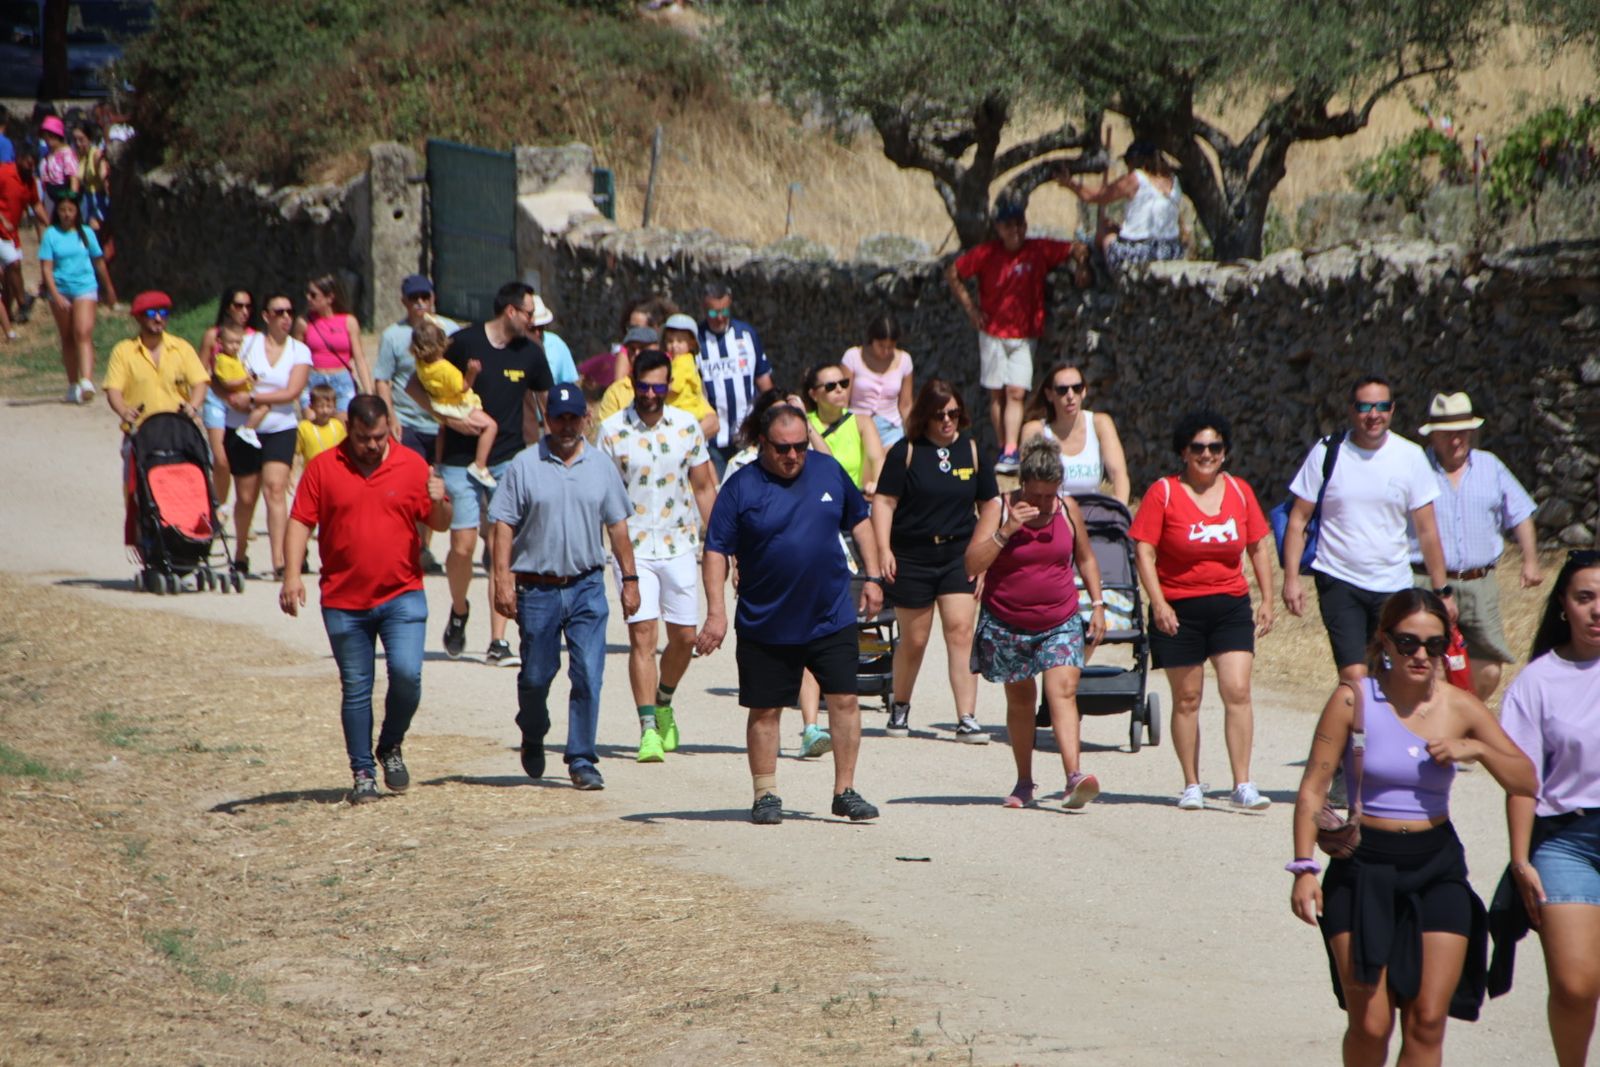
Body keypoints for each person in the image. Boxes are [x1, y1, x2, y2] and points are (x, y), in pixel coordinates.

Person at [1289, 589, 1535, 1065]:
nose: (1421, 655)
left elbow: (1525, 780)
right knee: (1371, 1024)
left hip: (1436, 866)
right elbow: (1312, 789)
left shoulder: (1460, 706)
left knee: (1426, 1022)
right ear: (1384, 640)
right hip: (1363, 868)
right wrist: (1303, 867)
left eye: (1435, 645)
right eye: (1407, 643)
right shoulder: (1352, 699)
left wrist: (1478, 751)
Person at [697, 403, 884, 825]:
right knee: (765, 709)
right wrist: (716, 613)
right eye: (783, 448)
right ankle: (766, 794)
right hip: (767, 621)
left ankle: (845, 791)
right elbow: (715, 551)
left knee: (846, 699)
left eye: (800, 446)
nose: (793, 456)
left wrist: (873, 577)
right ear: (763, 444)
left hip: (829, 614)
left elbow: (860, 521)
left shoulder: (827, 471)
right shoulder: (741, 486)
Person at [278, 395, 453, 804]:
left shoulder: (411, 465)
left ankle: (390, 745)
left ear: (389, 427)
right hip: (343, 599)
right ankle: (362, 773)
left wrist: (442, 498)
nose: (372, 445)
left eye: (378, 436)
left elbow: (440, 523)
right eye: (362, 438)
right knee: (357, 686)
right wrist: (291, 575)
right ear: (347, 429)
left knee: (408, 676)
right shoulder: (323, 468)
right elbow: (301, 520)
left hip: (402, 593)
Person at [489, 382, 639, 792]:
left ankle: (581, 758)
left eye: (575, 417)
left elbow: (618, 526)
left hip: (587, 585)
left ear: (587, 420)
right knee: (537, 676)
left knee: (589, 673)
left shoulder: (602, 466)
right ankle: (533, 731)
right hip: (537, 589)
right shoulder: (523, 465)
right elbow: (503, 524)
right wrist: (502, 580)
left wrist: (630, 580)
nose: (568, 425)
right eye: (560, 417)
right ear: (548, 419)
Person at [1129, 410, 1276, 811]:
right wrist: (1157, 602)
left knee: (1238, 691)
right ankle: (1192, 784)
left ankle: (1242, 783)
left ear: (1225, 453)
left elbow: (1258, 544)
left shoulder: (1241, 491)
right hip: (1178, 609)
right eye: (1199, 447)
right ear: (1184, 452)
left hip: (1230, 606)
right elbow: (1144, 548)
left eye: (1215, 447)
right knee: (1188, 698)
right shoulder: (1164, 492)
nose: (1207, 454)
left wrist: (1267, 598)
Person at [407, 281, 553, 666]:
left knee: (501, 549)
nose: (532, 319)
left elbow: (546, 405)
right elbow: (414, 386)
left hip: (507, 459)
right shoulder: (463, 342)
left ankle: (498, 640)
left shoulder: (532, 354)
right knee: (462, 548)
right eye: (527, 312)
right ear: (509, 311)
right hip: (458, 459)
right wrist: (447, 420)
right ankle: (458, 609)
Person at [1282, 376, 1459, 686]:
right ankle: (1358, 734)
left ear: (1392, 410)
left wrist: (1441, 592)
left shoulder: (1410, 456)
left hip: (1393, 584)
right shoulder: (1328, 452)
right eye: (1365, 406)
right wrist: (1291, 579)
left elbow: (1427, 530)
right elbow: (1298, 519)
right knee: (1354, 674)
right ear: (1352, 410)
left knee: (1391, 675)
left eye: (1382, 406)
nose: (1373, 414)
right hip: (1339, 579)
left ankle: (1383, 733)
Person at [1496, 551, 1600, 1066]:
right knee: (1576, 984)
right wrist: (1521, 861)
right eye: (1585, 598)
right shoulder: (1537, 681)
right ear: (1564, 605)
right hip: (1567, 842)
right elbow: (1521, 782)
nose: (1597, 610)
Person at [966, 436, 1108, 809]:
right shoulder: (999, 508)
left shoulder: (1067, 508)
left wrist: (1097, 604)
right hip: (1008, 623)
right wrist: (1006, 530)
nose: (1045, 504)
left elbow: (1086, 558)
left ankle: (1073, 776)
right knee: (1022, 700)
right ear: (1023, 484)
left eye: (1051, 495)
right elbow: (971, 565)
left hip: (1060, 618)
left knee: (1062, 690)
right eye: (1038, 495)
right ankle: (1025, 782)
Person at [598, 351, 718, 763]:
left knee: (684, 638)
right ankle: (648, 727)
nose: (651, 394)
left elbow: (703, 487)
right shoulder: (612, 430)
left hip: (680, 544)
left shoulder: (686, 426)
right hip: (631, 549)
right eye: (644, 386)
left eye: (659, 387)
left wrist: (721, 542)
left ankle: (664, 701)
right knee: (643, 635)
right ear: (632, 382)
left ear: (669, 385)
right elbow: (604, 493)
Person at [873, 379, 999, 742]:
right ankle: (900, 706)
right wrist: (884, 549)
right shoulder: (906, 451)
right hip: (912, 555)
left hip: (958, 555)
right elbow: (884, 502)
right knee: (914, 639)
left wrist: (982, 552)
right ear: (925, 416)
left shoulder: (972, 451)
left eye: (954, 414)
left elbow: (990, 504)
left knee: (961, 631)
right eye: (940, 414)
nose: (948, 421)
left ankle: (967, 717)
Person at [1410, 391, 1542, 700]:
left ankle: (1466, 714)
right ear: (1434, 437)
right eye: (1448, 435)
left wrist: (1531, 560)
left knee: (1488, 663)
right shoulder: (1416, 467)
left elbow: (1520, 512)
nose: (1457, 440)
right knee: (1426, 657)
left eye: (1463, 433)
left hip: (1478, 581)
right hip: (1425, 581)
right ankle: (1432, 718)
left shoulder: (1490, 466)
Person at [944, 201, 1090, 474]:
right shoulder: (987, 253)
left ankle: (1010, 449)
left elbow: (1077, 248)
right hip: (992, 333)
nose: (1016, 231)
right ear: (999, 228)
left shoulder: (1037, 249)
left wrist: (1082, 267)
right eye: (1009, 226)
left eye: (1020, 224)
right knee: (997, 393)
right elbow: (954, 273)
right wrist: (971, 310)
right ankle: (1005, 447)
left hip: (1024, 334)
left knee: (1016, 391)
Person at [373, 273, 458, 574]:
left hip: (444, 423)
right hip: (407, 422)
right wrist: (390, 417)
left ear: (433, 298)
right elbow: (382, 379)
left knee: (435, 485)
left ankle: (424, 546)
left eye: (425, 297)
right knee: (411, 484)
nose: (420, 304)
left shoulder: (450, 329)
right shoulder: (393, 336)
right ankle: (415, 548)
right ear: (404, 302)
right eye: (414, 299)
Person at [224, 293, 312, 578]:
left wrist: (253, 399)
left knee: (275, 489)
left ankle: (279, 560)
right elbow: (223, 374)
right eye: (279, 312)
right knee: (246, 496)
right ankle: (240, 553)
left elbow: (293, 392)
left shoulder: (300, 351)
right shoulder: (246, 344)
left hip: (280, 427)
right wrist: (232, 397)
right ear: (266, 316)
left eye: (290, 311)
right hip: (242, 427)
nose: (286, 317)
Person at [1059, 140, 1184, 272]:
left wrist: (1069, 183)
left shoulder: (1136, 178)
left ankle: (1096, 272)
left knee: (1105, 236)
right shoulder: (1174, 181)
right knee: (1114, 229)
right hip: (1171, 250)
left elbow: (1095, 196)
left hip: (1145, 252)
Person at [40, 194, 115, 404]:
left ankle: (87, 381)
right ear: (57, 212)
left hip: (85, 287)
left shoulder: (87, 233)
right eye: (63, 210)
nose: (66, 214)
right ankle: (73, 383)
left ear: (76, 212)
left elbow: (99, 262)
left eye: (70, 210)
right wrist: (55, 294)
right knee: (68, 337)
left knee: (83, 332)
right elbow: (46, 268)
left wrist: (108, 288)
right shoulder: (51, 235)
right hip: (61, 289)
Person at [1018, 362, 1130, 502]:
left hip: (1092, 514)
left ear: (1084, 391)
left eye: (1076, 388)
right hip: (1052, 514)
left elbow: (1118, 474)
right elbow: (1027, 482)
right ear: (1049, 395)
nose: (1070, 395)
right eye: (1062, 390)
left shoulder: (1100, 424)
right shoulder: (1035, 430)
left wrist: (1120, 510)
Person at [411, 318, 499, 489]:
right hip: (458, 405)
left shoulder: (421, 364)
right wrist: (472, 372)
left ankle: (438, 463)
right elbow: (464, 387)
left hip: (439, 404)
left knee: (442, 430)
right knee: (491, 426)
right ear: (442, 344)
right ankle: (480, 465)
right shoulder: (445, 369)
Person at [697, 282, 775, 475]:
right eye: (714, 313)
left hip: (746, 432)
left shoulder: (746, 334)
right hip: (713, 437)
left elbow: (764, 381)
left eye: (724, 311)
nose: (720, 318)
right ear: (704, 309)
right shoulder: (695, 340)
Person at [596, 320, 719, 442]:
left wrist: (680, 442)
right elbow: (606, 436)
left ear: (659, 348)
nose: (637, 353)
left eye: (643, 348)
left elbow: (713, 423)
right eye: (632, 349)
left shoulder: (679, 377)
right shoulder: (616, 392)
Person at [102, 291, 207, 433]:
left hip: (178, 428)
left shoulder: (182, 348)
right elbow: (113, 389)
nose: (158, 318)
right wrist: (124, 411)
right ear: (138, 317)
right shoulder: (123, 351)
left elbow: (200, 382)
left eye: (163, 313)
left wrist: (193, 406)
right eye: (151, 313)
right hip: (140, 430)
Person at [198, 286, 256, 511]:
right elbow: (200, 370)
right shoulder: (213, 335)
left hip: (242, 403)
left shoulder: (254, 337)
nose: (244, 311)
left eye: (248, 306)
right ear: (228, 307)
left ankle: (243, 511)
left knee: (245, 464)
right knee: (220, 459)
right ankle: (219, 507)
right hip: (216, 399)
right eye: (238, 305)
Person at [293, 273, 371, 417]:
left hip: (341, 380)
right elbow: (295, 358)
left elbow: (359, 358)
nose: (308, 298)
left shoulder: (348, 321)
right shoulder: (304, 323)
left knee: (343, 427)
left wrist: (368, 392)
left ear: (329, 298)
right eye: (307, 294)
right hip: (314, 380)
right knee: (313, 429)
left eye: (313, 295)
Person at [803, 361, 885, 495]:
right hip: (818, 498)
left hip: (854, 499)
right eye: (830, 386)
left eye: (844, 383)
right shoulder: (804, 423)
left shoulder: (862, 422)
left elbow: (877, 459)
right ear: (813, 395)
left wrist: (876, 484)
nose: (839, 389)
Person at [841, 313, 914, 448]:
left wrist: (913, 433)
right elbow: (843, 399)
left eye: (890, 346)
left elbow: (906, 404)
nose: (886, 351)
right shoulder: (852, 357)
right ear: (872, 339)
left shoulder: (905, 360)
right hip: (857, 425)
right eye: (881, 345)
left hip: (891, 428)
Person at [0, 144, 36, 331]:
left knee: (8, 276)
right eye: (28, 163)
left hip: (12, 234)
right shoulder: (4, 173)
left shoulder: (30, 181)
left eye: (33, 165)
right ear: (20, 159)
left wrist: (49, 226)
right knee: (14, 263)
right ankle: (23, 302)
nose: (31, 167)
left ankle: (8, 315)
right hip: (0, 231)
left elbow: (36, 205)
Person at [529, 293, 578, 384]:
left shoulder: (556, 344)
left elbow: (571, 384)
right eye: (532, 329)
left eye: (541, 328)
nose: (537, 333)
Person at [296, 382, 347, 466]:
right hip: (313, 471)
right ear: (311, 406)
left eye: (329, 406)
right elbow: (296, 454)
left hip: (334, 469)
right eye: (320, 406)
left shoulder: (337, 425)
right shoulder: (304, 427)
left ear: (334, 407)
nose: (325, 410)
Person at [71, 121, 109, 235]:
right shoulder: (79, 157)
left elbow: (104, 177)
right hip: (86, 200)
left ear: (89, 138)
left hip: (98, 199)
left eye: (81, 139)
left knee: (95, 235)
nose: (78, 143)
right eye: (75, 140)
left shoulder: (96, 154)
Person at [37, 115, 77, 203]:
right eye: (45, 135)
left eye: (51, 135)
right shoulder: (47, 155)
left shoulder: (66, 154)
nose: (47, 138)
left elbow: (73, 179)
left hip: (62, 197)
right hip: (48, 196)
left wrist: (71, 201)